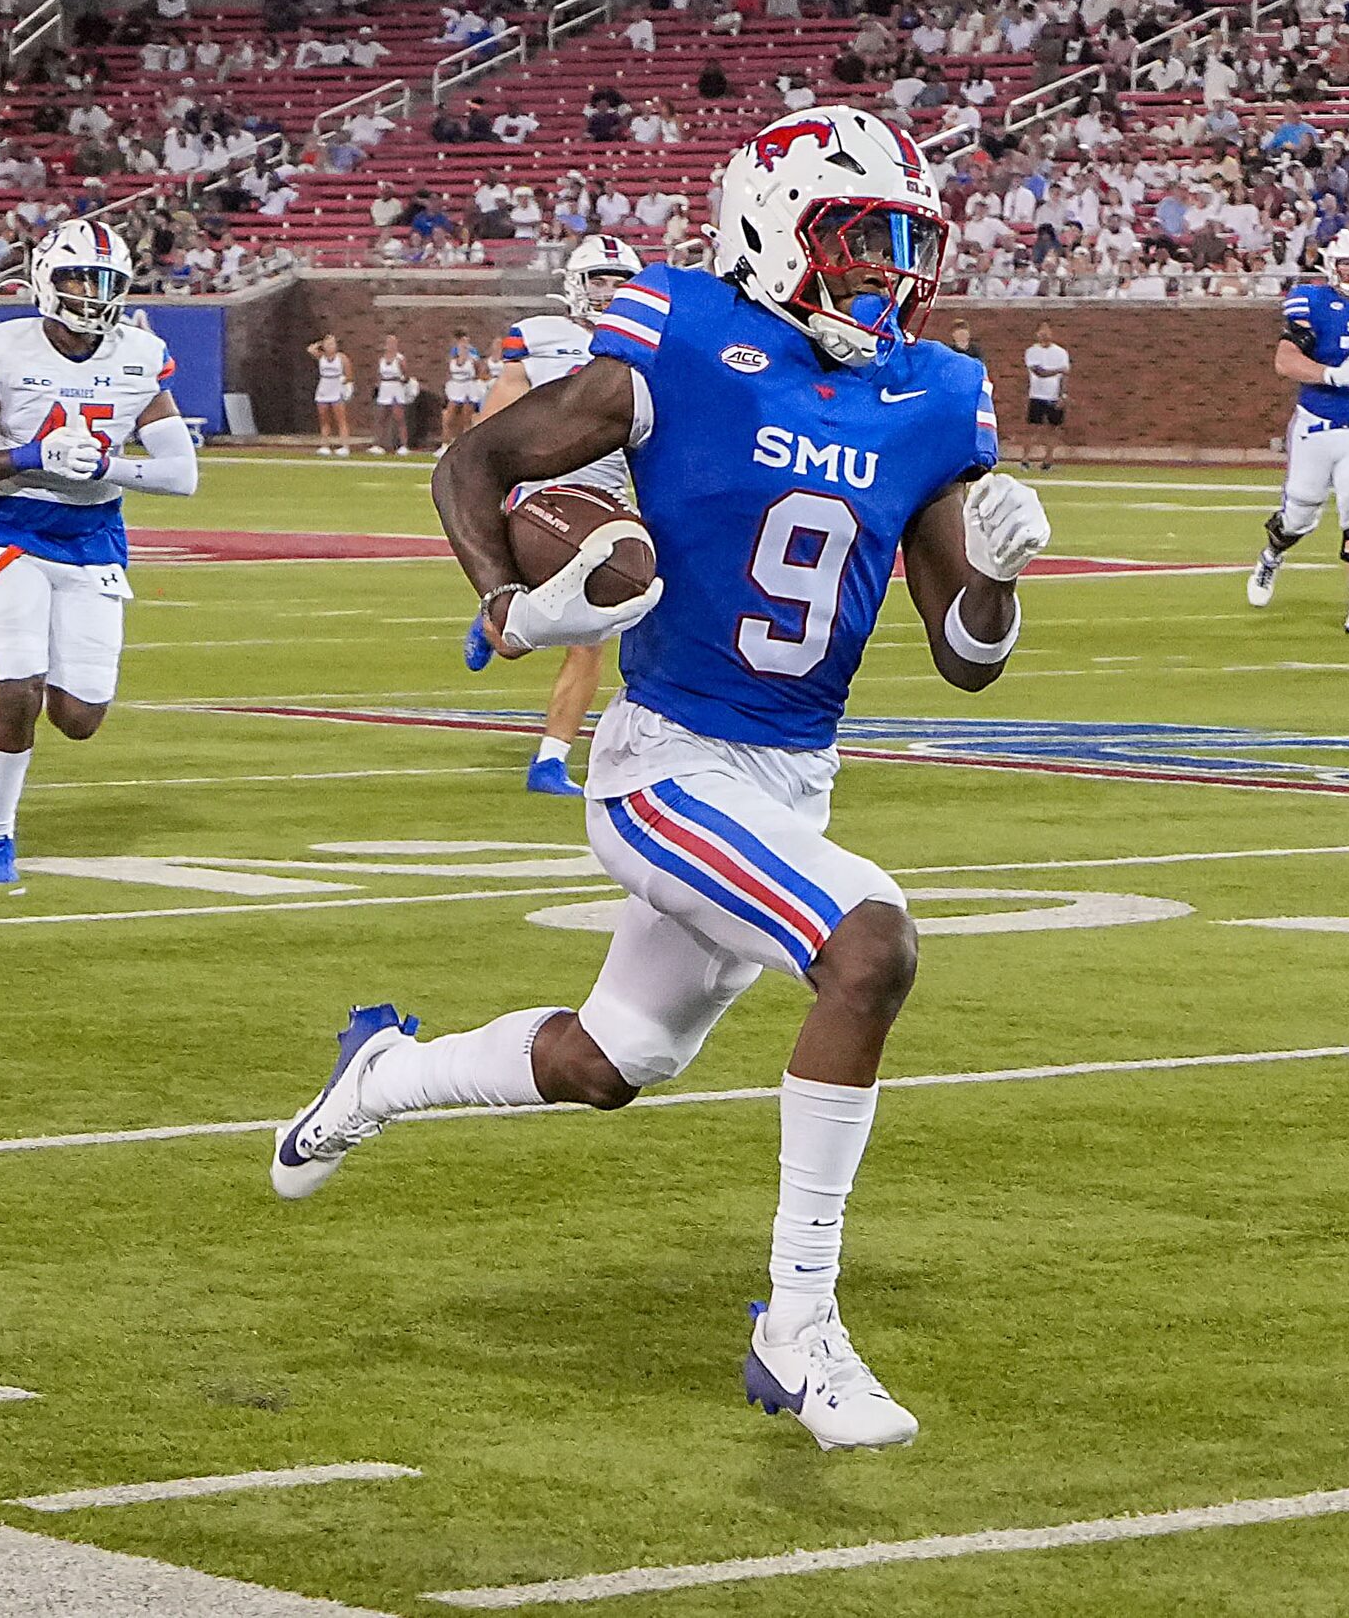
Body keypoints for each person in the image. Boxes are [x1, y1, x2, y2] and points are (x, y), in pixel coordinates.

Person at [274, 107, 1052, 1452]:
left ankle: (379, 1075)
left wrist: (995, 575)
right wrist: (514, 602)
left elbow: (966, 657)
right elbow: (477, 461)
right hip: (663, 765)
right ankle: (797, 1328)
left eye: (903, 248)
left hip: (790, 781)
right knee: (867, 946)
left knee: (607, 1059)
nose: (887, 275)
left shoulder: (929, 396)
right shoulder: (681, 332)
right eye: (858, 243)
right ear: (770, 231)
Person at [0, 220, 198, 886]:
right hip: (10, 530)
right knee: (16, 690)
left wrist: (104, 465)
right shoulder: (1, 349)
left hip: (93, 537)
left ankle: (49, 667)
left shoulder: (139, 353)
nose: (89, 292)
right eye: (78, 276)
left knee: (78, 717)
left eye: (104, 281)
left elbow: (180, 474)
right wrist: (30, 455)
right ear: (46, 278)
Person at [478, 234, 643, 796]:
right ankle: (499, 617)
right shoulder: (539, 337)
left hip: (604, 498)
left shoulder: (651, 349)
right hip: (541, 495)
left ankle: (550, 760)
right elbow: (491, 426)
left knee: (593, 627)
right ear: (576, 282)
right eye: (600, 278)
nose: (612, 291)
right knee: (540, 636)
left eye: (622, 280)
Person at [1249, 228, 1349, 634]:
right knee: (1298, 515)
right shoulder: (1312, 301)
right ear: (1332, 265)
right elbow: (1285, 360)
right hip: (1315, 424)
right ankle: (1271, 556)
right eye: (1347, 262)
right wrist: (1332, 374)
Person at [1020, 321, 1070, 470]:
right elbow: (1039, 372)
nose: (1044, 334)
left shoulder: (1061, 353)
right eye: (1041, 331)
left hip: (1054, 396)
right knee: (1033, 428)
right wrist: (1059, 370)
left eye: (1047, 330)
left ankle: (1048, 461)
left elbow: (1065, 377)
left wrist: (1063, 395)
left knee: (1053, 429)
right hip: (1037, 395)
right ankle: (1025, 459)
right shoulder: (1031, 352)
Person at [309, 331, 353, 453]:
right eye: (327, 344)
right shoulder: (321, 357)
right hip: (324, 388)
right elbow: (310, 349)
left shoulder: (342, 358)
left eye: (332, 344)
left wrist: (343, 381)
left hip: (336, 388)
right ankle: (325, 445)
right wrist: (320, 343)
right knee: (324, 419)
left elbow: (349, 375)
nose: (330, 346)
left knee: (340, 419)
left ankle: (345, 446)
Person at [439, 330, 481, 453]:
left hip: (468, 387)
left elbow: (478, 372)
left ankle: (466, 446)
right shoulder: (453, 354)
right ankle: (445, 444)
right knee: (449, 415)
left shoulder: (473, 356)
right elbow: (450, 369)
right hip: (456, 386)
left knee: (466, 417)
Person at [371, 332, 412, 455]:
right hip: (385, 388)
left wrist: (402, 381)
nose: (391, 345)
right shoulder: (382, 359)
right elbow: (379, 375)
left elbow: (406, 375)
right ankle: (378, 444)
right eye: (389, 343)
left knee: (399, 417)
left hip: (396, 388)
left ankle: (404, 445)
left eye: (393, 343)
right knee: (382, 417)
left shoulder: (400, 359)